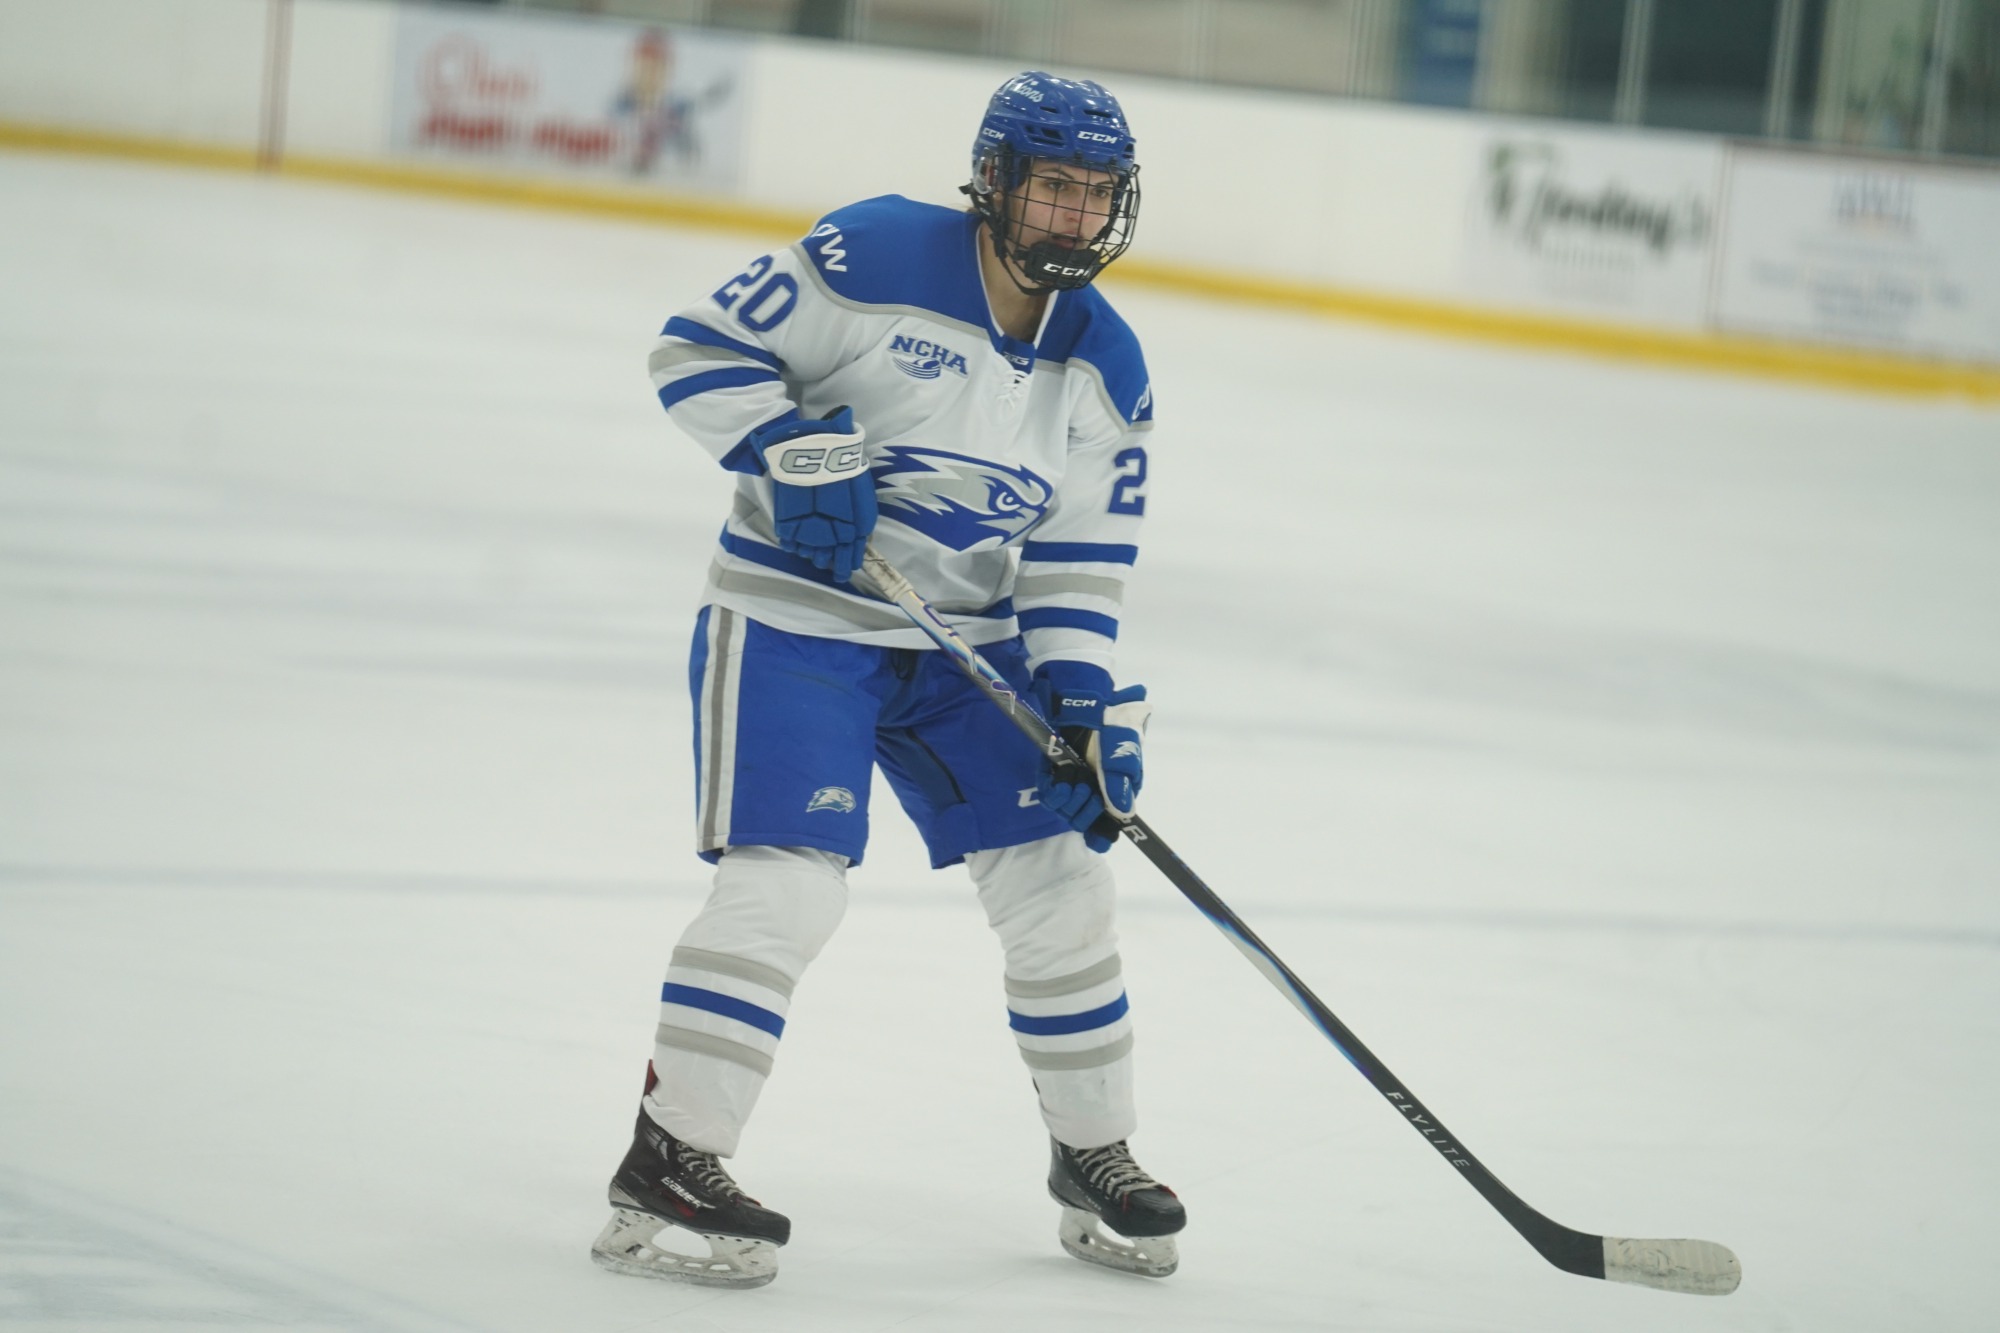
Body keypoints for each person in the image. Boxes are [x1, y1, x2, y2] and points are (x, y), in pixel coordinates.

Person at [589, 71, 1180, 1290]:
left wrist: (1079, 703)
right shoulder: (878, 254)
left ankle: (1092, 1152)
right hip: (796, 620)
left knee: (1063, 883)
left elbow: (1075, 555)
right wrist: (783, 446)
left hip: (963, 646)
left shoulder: (1106, 366)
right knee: (788, 890)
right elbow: (696, 348)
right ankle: (671, 1152)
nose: (1073, 217)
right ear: (997, 181)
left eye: (1095, 194)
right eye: (1053, 187)